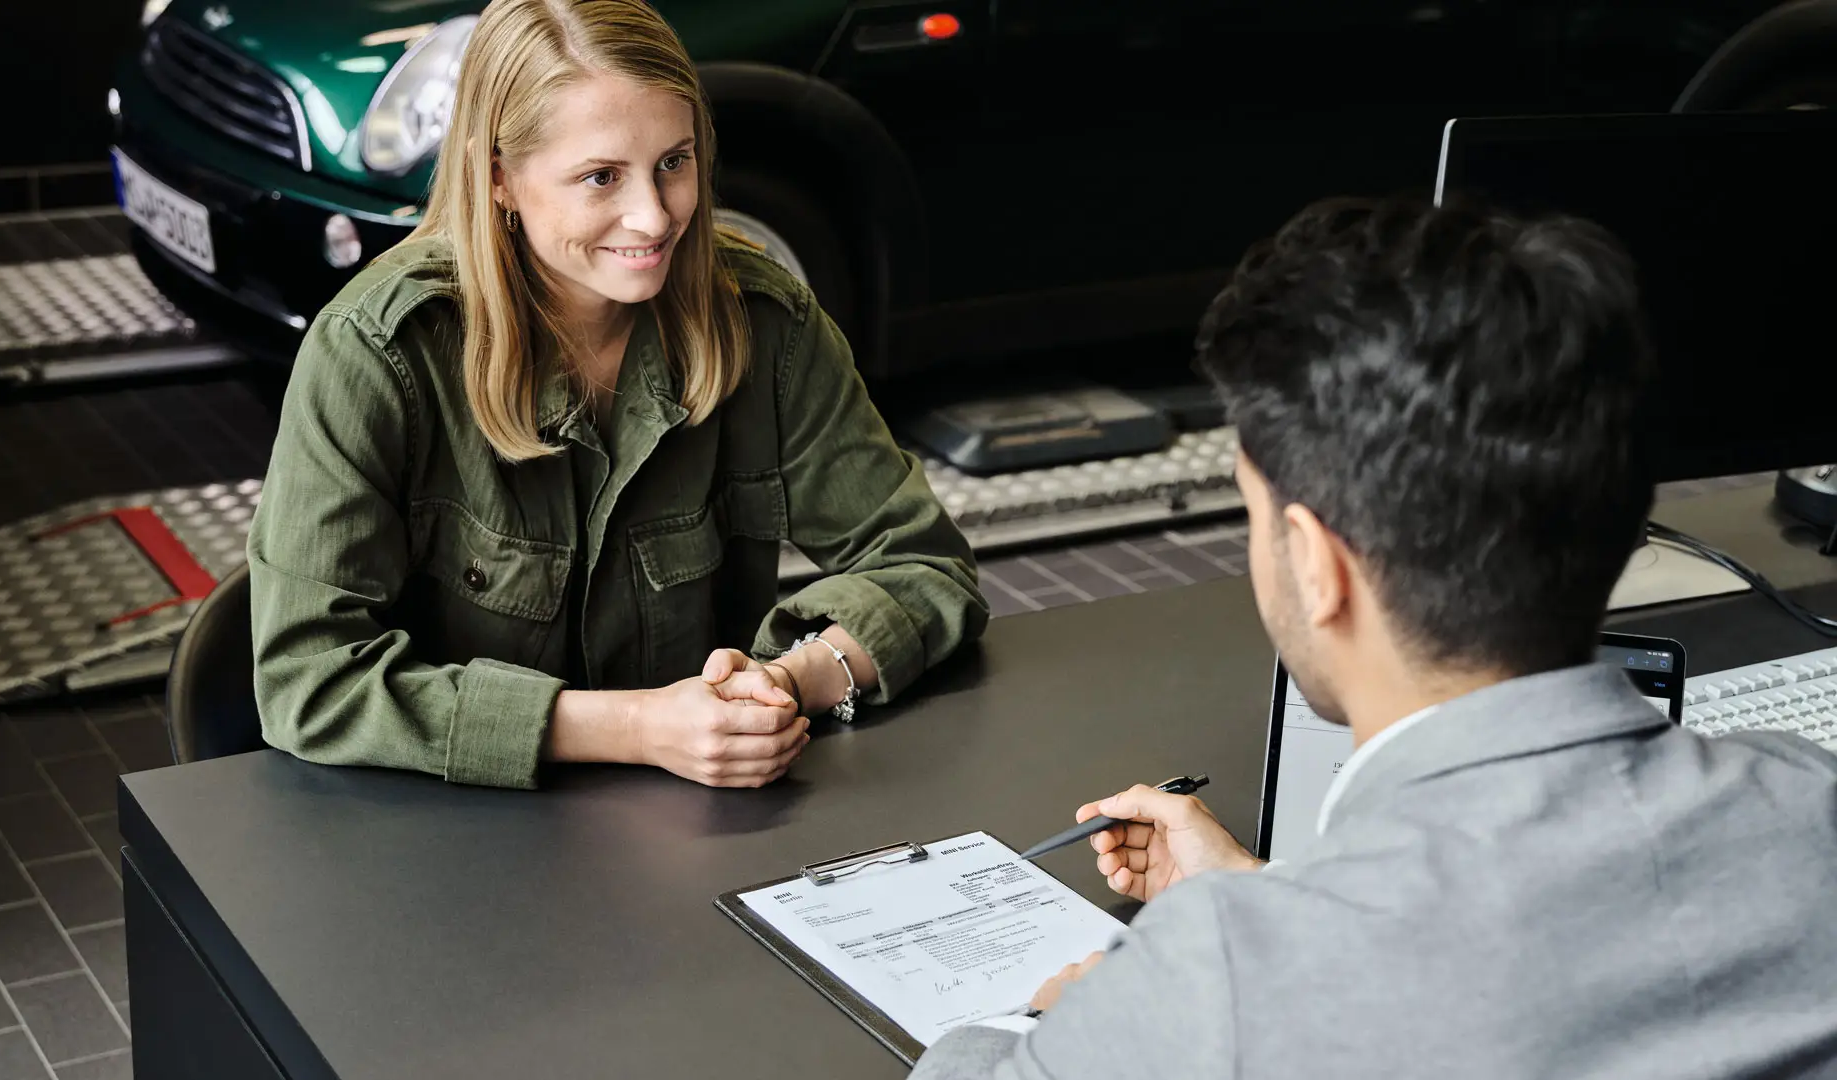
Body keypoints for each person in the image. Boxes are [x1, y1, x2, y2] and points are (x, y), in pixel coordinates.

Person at [911, 197, 1837, 1077]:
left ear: (1317, 562)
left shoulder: (1220, 986)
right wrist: (1267, 892)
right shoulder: (1811, 805)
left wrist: (1058, 1019)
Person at [245, 0, 986, 791]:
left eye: (674, 161)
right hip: (450, 847)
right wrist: (637, 727)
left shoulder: (766, 325)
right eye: (601, 176)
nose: (654, 214)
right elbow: (308, 680)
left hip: (701, 836)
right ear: (498, 177)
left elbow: (926, 567)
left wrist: (785, 684)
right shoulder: (378, 352)